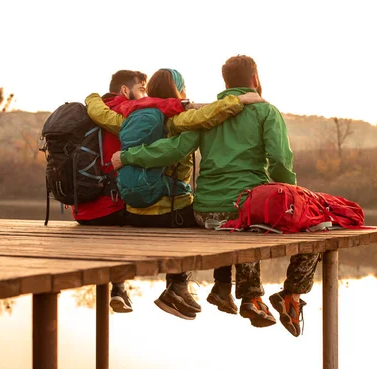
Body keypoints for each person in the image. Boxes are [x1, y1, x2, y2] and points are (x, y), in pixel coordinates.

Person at [112, 55, 321, 336]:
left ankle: (251, 296)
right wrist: (293, 197)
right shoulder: (266, 112)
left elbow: (172, 150)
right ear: (255, 79)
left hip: (204, 211)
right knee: (313, 229)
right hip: (243, 209)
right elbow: (280, 162)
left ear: (225, 81)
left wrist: (127, 156)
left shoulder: (210, 114)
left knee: (245, 216)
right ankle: (287, 296)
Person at [85, 68, 265, 320]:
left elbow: (99, 112)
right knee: (215, 219)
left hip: (134, 213)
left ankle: (157, 288)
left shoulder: (128, 117)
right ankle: (184, 286)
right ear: (176, 90)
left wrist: (92, 97)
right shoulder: (177, 121)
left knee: (198, 212)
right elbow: (205, 117)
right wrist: (239, 100)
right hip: (170, 213)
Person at [76, 69, 147, 314]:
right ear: (125, 90)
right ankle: (119, 288)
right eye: (141, 88)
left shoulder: (89, 113)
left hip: (82, 209)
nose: (144, 94)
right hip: (112, 208)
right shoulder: (128, 111)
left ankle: (119, 288)